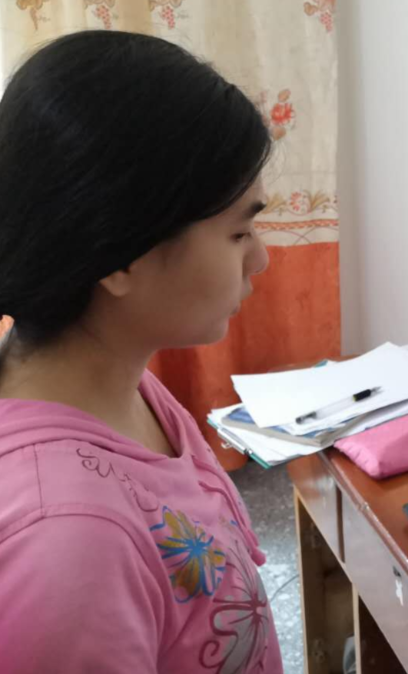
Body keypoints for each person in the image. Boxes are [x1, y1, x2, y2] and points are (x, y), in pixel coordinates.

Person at [0, 30, 284, 673]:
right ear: (121, 253)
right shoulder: (67, 544)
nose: (260, 259)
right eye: (239, 232)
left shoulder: (119, 384)